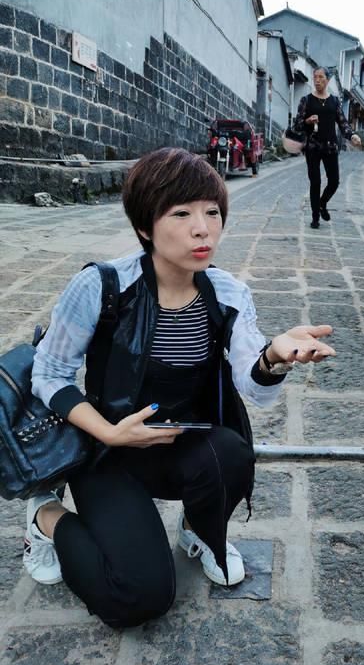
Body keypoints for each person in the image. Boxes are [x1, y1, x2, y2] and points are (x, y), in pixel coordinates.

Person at [23, 147, 335, 628]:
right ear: (145, 226)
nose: (202, 228)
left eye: (213, 213)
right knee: (141, 596)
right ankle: (46, 519)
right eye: (182, 213)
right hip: (108, 454)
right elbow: (50, 373)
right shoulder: (102, 286)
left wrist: (275, 357)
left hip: (183, 444)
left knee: (231, 452)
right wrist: (109, 433)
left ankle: (199, 528)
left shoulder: (227, 292)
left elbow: (253, 382)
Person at [293, 67, 361, 229]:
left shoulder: (334, 101)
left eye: (321, 77)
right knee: (315, 182)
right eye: (315, 77)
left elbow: (343, 123)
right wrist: (308, 121)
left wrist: (352, 136)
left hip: (330, 147)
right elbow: (297, 125)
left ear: (327, 80)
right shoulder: (306, 100)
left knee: (334, 181)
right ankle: (315, 217)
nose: (317, 80)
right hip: (312, 147)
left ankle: (322, 203)